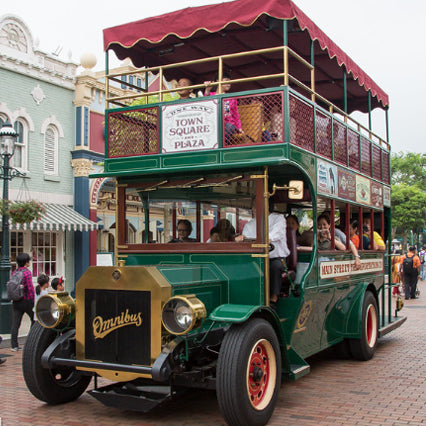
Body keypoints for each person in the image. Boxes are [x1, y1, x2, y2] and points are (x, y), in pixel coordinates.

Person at [236, 200, 290, 308]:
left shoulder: (278, 219)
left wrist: (251, 239)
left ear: (266, 206)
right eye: (253, 206)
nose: (253, 209)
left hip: (277, 258)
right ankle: (248, 298)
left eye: (256, 206)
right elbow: (246, 240)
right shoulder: (250, 224)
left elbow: (270, 237)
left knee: (275, 267)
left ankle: (273, 299)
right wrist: (242, 239)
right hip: (257, 258)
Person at [204, 73, 244, 143]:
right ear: (217, 82)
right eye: (226, 81)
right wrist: (207, 90)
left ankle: (221, 145)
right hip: (213, 123)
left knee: (228, 127)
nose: (228, 84)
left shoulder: (231, 98)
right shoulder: (210, 95)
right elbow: (205, 105)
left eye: (229, 82)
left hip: (228, 124)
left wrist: (239, 128)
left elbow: (235, 114)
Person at [10, 253, 34, 352]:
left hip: (16, 301)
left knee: (15, 323)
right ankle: (31, 341)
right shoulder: (27, 273)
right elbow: (30, 289)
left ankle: (14, 345)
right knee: (35, 320)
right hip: (26, 301)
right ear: (26, 262)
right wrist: (34, 300)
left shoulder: (14, 272)